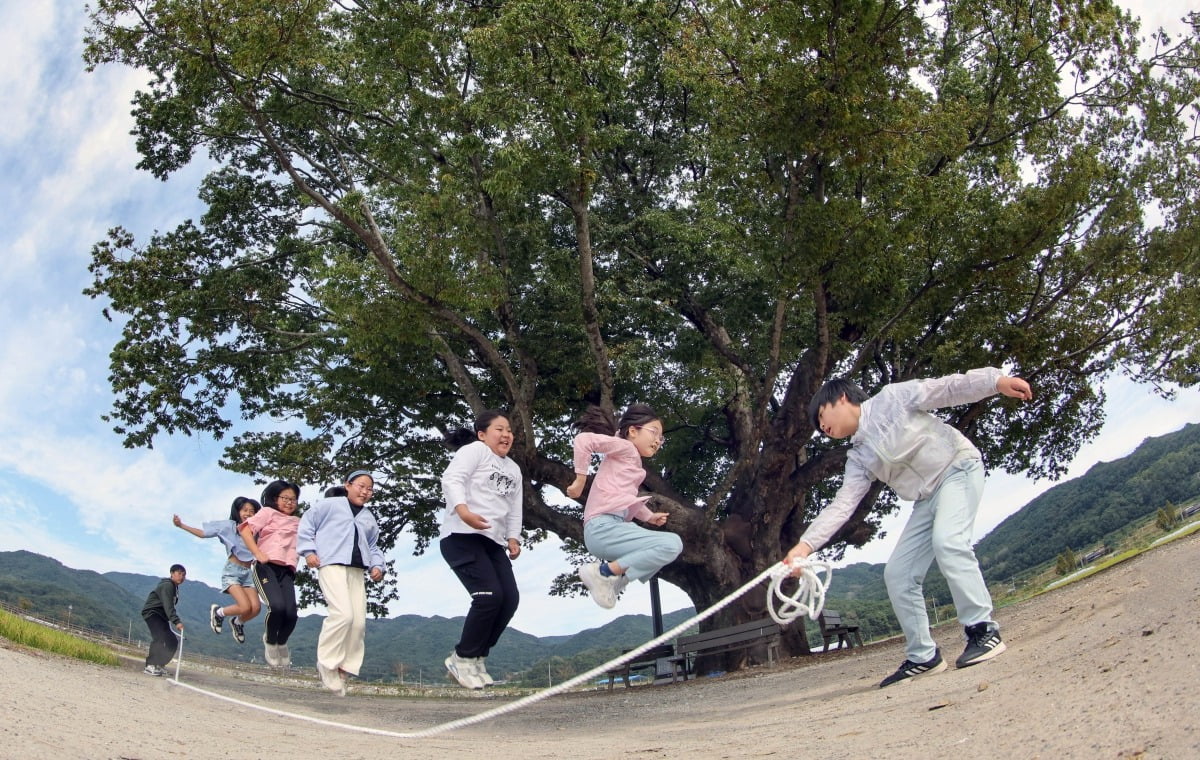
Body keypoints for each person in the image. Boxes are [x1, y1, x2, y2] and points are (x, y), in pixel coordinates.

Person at [785, 367, 1033, 687]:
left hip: (957, 469)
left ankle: (983, 631)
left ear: (842, 398)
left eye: (821, 415)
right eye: (818, 426)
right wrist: (804, 546)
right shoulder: (859, 456)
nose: (822, 427)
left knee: (948, 541)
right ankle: (923, 656)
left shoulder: (893, 398)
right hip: (926, 500)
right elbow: (843, 505)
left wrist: (995, 382)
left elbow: (946, 388)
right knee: (898, 574)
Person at [567, 404, 682, 609]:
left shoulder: (632, 462)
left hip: (610, 527)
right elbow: (584, 440)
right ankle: (603, 573)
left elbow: (627, 498)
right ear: (632, 431)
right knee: (671, 544)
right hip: (603, 528)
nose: (658, 441)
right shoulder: (626, 448)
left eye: (661, 438)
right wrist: (580, 480)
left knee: (660, 549)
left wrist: (648, 517)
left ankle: (615, 581)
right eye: (654, 433)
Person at [439, 410, 523, 689]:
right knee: (488, 596)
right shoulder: (475, 451)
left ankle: (476, 657)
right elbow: (452, 479)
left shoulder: (513, 469)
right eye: (499, 429)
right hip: (461, 535)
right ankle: (461, 657)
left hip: (493, 541)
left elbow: (514, 508)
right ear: (482, 434)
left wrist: (513, 537)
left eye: (509, 430)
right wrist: (463, 511)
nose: (506, 434)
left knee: (508, 599)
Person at [298, 470, 386, 695]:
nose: (365, 492)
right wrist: (308, 552)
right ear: (347, 485)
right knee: (343, 615)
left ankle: (344, 666)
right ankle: (326, 664)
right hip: (332, 564)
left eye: (370, 489)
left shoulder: (368, 517)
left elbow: (373, 546)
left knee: (357, 623)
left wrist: (378, 566)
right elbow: (307, 523)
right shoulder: (330, 505)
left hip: (357, 571)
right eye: (361, 486)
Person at [173, 497, 262, 644]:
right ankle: (218, 612)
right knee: (244, 606)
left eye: (252, 511)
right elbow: (203, 533)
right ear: (237, 511)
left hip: (248, 573)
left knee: (256, 608)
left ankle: (237, 623)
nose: (248, 513)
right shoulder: (229, 526)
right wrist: (181, 525)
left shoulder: (256, 531)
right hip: (232, 571)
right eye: (245, 510)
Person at [240, 479, 302, 668]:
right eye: (285, 498)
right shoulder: (267, 513)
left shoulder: (299, 522)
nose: (290, 502)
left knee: (291, 614)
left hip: (287, 571)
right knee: (277, 607)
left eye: (293, 499)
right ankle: (269, 641)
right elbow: (246, 530)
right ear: (275, 498)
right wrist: (258, 553)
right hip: (266, 567)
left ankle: (281, 642)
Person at [141, 564, 186, 676]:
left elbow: (168, 607)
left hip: (162, 616)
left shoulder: (174, 588)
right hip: (152, 613)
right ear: (172, 573)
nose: (182, 577)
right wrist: (176, 621)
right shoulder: (167, 585)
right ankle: (150, 665)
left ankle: (159, 665)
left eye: (184, 575)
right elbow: (168, 605)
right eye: (179, 573)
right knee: (159, 637)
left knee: (172, 641)